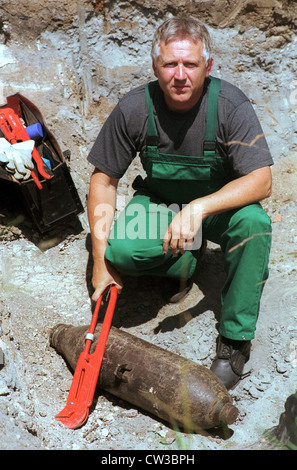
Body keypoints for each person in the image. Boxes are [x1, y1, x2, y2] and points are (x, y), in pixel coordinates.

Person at [87, 16, 273, 390]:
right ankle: (185, 260)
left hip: (219, 208)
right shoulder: (135, 108)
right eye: (170, 64)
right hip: (162, 203)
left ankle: (235, 340)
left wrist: (199, 209)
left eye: (190, 64)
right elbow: (103, 180)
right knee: (120, 251)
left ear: (208, 67)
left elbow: (262, 180)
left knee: (255, 226)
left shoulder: (230, 105)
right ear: (156, 67)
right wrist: (99, 261)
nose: (180, 75)